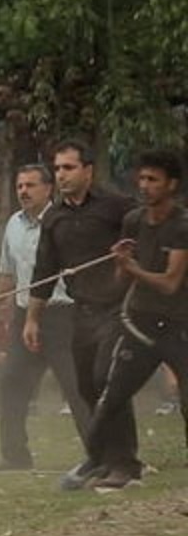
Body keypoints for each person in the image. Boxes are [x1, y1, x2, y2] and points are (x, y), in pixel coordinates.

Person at [25, 141, 138, 490]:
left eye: (68, 168)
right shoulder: (54, 218)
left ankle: (125, 464)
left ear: (88, 171)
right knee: (87, 388)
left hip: (120, 309)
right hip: (82, 312)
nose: (61, 175)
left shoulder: (118, 208)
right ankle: (100, 457)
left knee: (108, 381)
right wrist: (32, 319)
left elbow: (148, 237)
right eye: (57, 168)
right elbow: (43, 272)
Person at [84, 150, 188, 489]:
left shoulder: (181, 225)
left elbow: (171, 283)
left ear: (171, 184)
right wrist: (121, 264)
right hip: (140, 324)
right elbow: (122, 280)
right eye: (141, 179)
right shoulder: (133, 221)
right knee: (111, 398)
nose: (144, 186)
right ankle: (103, 462)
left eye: (153, 180)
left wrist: (132, 268)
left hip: (177, 325)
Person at [0, 164, 91, 469]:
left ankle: (98, 455)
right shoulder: (13, 224)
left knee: (75, 387)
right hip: (22, 314)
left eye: (31, 185)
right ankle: (14, 456)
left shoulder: (63, 222)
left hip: (62, 314)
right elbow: (7, 271)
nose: (24, 192)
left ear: (48, 189)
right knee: (11, 383)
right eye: (19, 186)